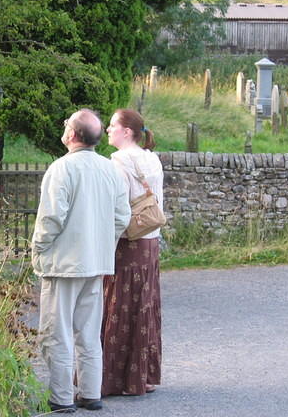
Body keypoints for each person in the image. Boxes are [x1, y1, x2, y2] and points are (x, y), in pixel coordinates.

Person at [32, 109, 131, 413]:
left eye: (66, 125)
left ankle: (61, 397)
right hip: (96, 261)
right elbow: (122, 217)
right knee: (88, 332)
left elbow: (51, 218)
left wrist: (39, 246)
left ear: (72, 135)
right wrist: (102, 243)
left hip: (63, 262)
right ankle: (90, 393)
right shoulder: (110, 169)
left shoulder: (62, 169)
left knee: (56, 332)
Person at [101, 108, 164, 397]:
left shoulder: (119, 162)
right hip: (151, 241)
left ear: (127, 132)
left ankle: (117, 380)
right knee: (145, 306)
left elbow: (119, 210)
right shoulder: (152, 158)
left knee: (119, 306)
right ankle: (144, 377)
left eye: (113, 126)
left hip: (129, 242)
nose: (108, 130)